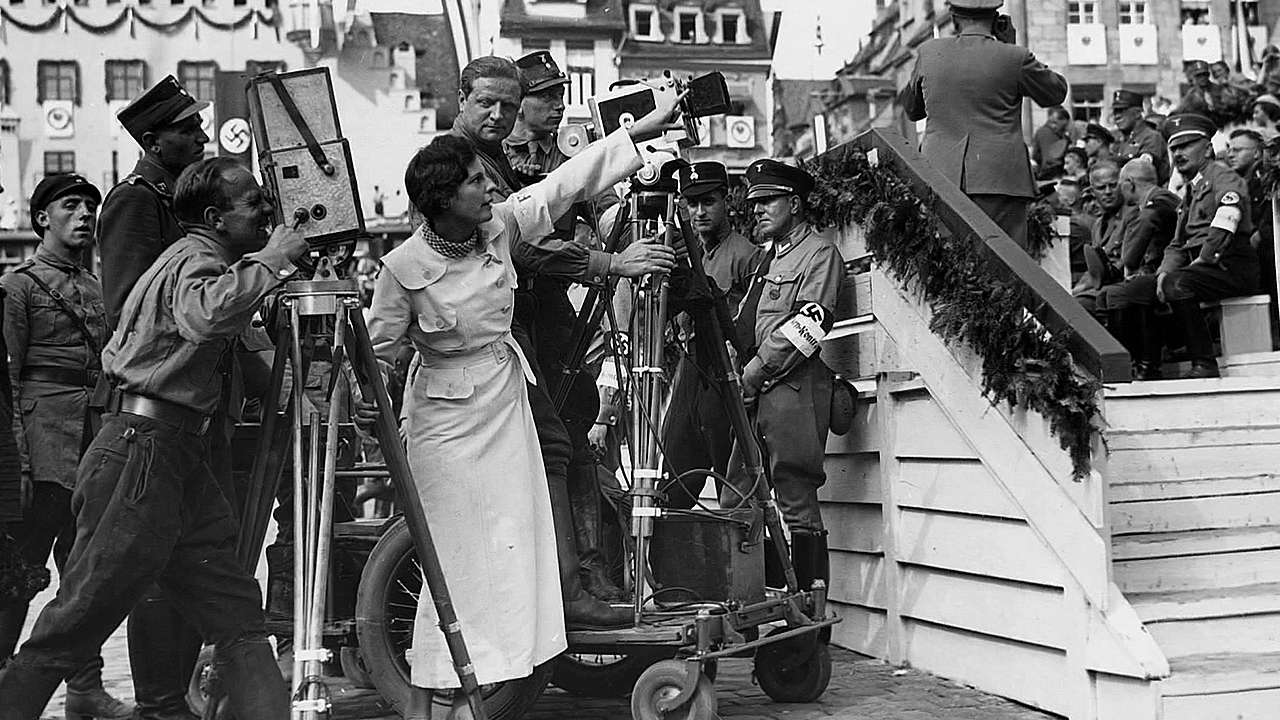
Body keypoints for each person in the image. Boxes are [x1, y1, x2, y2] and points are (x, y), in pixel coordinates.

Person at [365, 92, 681, 719]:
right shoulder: (401, 268)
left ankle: (494, 687)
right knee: (449, 559)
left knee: (514, 547)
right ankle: (430, 693)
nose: (490, 189)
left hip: (508, 404)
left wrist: (639, 131)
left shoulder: (498, 229)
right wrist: (370, 421)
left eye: (486, 180)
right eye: (476, 183)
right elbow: (376, 353)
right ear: (442, 201)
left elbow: (562, 186)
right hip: (443, 422)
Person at [0, 157, 308, 720]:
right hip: (143, 451)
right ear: (215, 217)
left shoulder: (202, 259)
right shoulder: (196, 261)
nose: (266, 210)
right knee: (81, 611)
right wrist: (272, 261)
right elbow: (205, 316)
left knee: (234, 606)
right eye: (253, 203)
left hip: (172, 451)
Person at [450, 55, 671, 622]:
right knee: (547, 444)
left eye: (507, 103)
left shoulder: (491, 158)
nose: (500, 115)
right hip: (490, 327)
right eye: (488, 104)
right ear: (461, 99)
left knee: (565, 431)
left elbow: (553, 196)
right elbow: (519, 235)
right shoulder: (456, 163)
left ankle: (576, 579)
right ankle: (567, 591)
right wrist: (609, 261)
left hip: (527, 314)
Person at [95, 75, 213, 720]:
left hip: (195, 405)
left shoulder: (183, 201)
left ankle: (175, 697)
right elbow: (127, 309)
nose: (198, 137)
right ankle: (158, 702)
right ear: (153, 139)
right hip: (154, 405)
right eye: (186, 130)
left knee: (197, 557)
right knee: (155, 562)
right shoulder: (136, 203)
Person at [0, 175, 130, 720]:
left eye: (90, 206)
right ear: (41, 220)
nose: (84, 215)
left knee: (83, 574)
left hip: (89, 441)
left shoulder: (99, 287)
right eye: (70, 206)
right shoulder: (18, 286)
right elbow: (5, 378)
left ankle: (85, 687)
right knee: (18, 572)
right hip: (40, 445)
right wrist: (16, 463)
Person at [504, 50, 625, 600]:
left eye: (560, 94)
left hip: (553, 309)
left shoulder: (571, 160)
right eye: (544, 96)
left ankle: (588, 567)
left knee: (575, 429)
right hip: (504, 309)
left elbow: (607, 218)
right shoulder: (491, 161)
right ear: (518, 102)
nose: (556, 105)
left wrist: (627, 227)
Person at [724, 159, 844, 596]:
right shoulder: (767, 260)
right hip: (753, 392)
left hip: (790, 390)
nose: (757, 209)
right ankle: (753, 605)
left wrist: (754, 374)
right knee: (737, 499)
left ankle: (809, 623)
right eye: (754, 202)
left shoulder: (819, 254)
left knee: (796, 502)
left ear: (794, 203)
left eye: (768, 201)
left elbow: (809, 326)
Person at [899, 0, 1067, 249]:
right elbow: (1055, 93)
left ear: (954, 16)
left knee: (947, 264)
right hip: (1000, 179)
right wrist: (1009, 46)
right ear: (997, 17)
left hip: (941, 177)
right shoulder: (1014, 57)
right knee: (1005, 263)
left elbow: (912, 110)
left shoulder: (930, 52)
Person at [1111, 113, 1258, 379]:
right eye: (1174, 148)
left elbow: (1228, 217)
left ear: (1208, 149)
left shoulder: (1223, 178)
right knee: (1134, 290)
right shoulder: (1191, 189)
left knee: (1178, 284)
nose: (1179, 153)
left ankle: (1204, 363)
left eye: (1187, 145)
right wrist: (1163, 272)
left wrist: (1203, 259)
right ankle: (1147, 366)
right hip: (1199, 268)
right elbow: (1177, 244)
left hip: (1229, 264)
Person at [660, 161, 760, 509]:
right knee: (674, 467)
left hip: (724, 368)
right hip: (691, 367)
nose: (699, 212)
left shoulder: (747, 256)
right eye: (692, 204)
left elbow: (752, 323)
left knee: (729, 478)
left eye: (709, 202)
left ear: (727, 201)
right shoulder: (690, 255)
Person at [1094, 159, 1181, 379]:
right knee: (1114, 293)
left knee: (1118, 293)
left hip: (1173, 271)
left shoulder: (1155, 205)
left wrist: (1130, 266)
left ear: (1129, 184)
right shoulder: (1162, 199)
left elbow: (1131, 255)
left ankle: (1139, 364)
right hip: (1164, 268)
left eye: (1119, 184)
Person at [1073, 161, 1125, 314]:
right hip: (1104, 288)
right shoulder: (1098, 225)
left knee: (1079, 306)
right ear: (1093, 191)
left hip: (1123, 286)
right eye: (1101, 188)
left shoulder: (1132, 216)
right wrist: (1073, 291)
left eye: (1113, 185)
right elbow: (1094, 269)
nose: (1108, 192)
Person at [1111, 89, 1170, 186]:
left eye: (1122, 111)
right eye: (1115, 111)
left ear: (1138, 113)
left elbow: (1143, 169)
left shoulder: (1151, 136)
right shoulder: (1121, 139)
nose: (1117, 116)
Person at [1032, 106, 1072, 180]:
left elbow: (1036, 155)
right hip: (1053, 174)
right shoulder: (1049, 134)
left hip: (1046, 173)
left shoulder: (1042, 132)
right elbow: (1052, 160)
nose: (1054, 127)